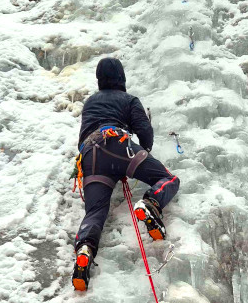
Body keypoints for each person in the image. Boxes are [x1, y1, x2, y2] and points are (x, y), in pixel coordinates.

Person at [72, 57, 180, 291]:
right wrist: (143, 152)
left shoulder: (90, 102)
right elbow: (144, 131)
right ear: (121, 77)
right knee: (168, 179)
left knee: (96, 211)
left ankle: (85, 249)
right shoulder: (128, 100)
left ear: (100, 79)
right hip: (120, 145)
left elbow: (81, 138)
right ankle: (151, 203)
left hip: (90, 155)